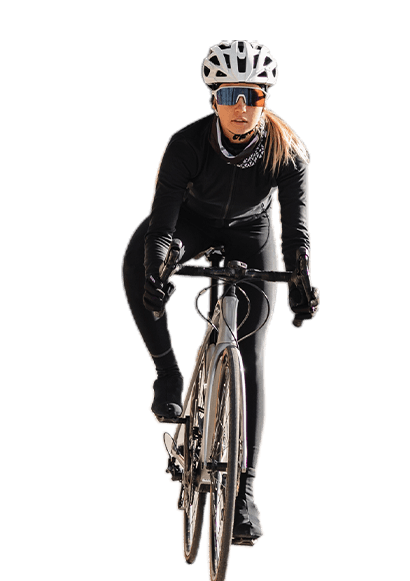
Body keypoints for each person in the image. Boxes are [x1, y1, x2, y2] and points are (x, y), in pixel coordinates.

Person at [122, 40, 318, 547]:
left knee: (252, 356)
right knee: (138, 261)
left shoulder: (289, 151)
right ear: (213, 99)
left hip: (252, 233)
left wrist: (300, 281)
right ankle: (168, 375)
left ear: (265, 99)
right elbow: (162, 223)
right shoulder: (186, 144)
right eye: (230, 94)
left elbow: (296, 231)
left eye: (252, 95)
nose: (241, 106)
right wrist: (159, 268)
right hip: (191, 223)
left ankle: (245, 494)